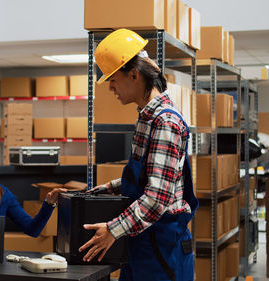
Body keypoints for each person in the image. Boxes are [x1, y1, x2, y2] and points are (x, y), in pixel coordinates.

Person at [80, 29, 199, 281]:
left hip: (162, 248)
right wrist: (110, 188)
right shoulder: (146, 117)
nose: (110, 87)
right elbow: (149, 176)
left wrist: (113, 230)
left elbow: (157, 198)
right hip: (142, 241)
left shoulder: (165, 121)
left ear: (133, 75)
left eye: (112, 79)